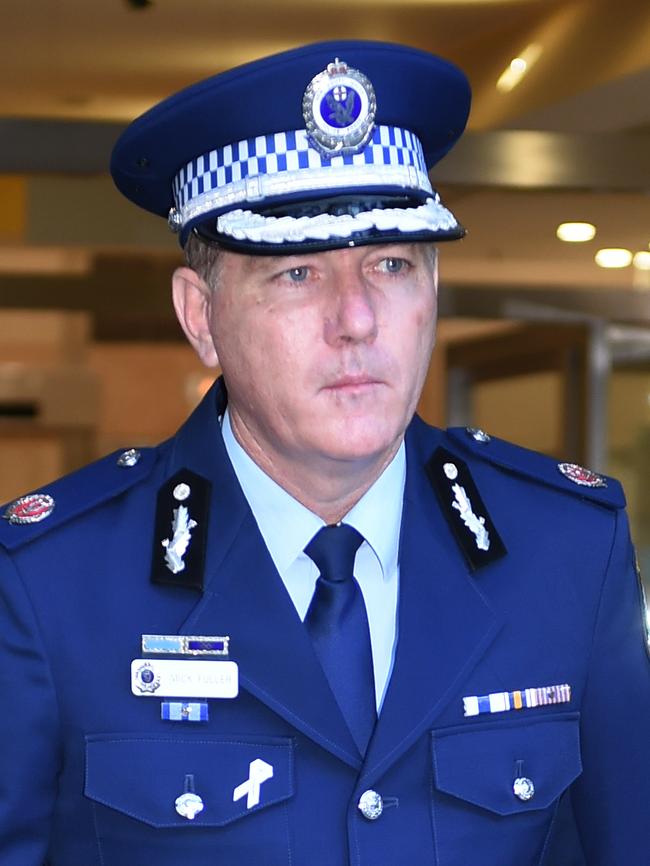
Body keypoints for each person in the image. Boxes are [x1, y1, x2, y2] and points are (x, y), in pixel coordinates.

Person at [0, 40, 648, 866]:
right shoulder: (48, 582)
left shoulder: (569, 548)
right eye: (297, 273)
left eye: (390, 264)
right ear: (200, 316)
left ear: (433, 293)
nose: (357, 319)